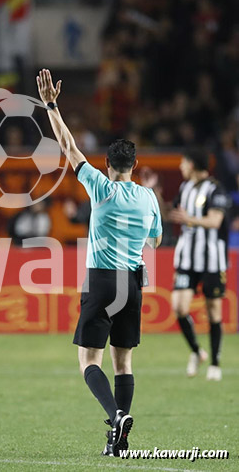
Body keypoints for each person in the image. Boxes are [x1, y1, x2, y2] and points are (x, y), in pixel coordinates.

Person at [36, 69, 162, 457]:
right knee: (122, 363)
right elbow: (155, 241)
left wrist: (51, 106)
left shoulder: (101, 187)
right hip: (133, 284)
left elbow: (69, 147)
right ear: (135, 164)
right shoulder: (148, 198)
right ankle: (118, 439)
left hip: (103, 281)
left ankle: (115, 417)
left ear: (107, 164)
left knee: (88, 360)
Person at [167, 149, 230, 380]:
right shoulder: (185, 188)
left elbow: (215, 221)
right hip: (186, 259)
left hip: (213, 260)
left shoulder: (215, 189)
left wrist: (189, 220)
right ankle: (196, 351)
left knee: (213, 311)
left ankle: (215, 363)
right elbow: (173, 214)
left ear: (193, 164)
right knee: (179, 307)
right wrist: (152, 191)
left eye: (184, 162)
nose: (181, 166)